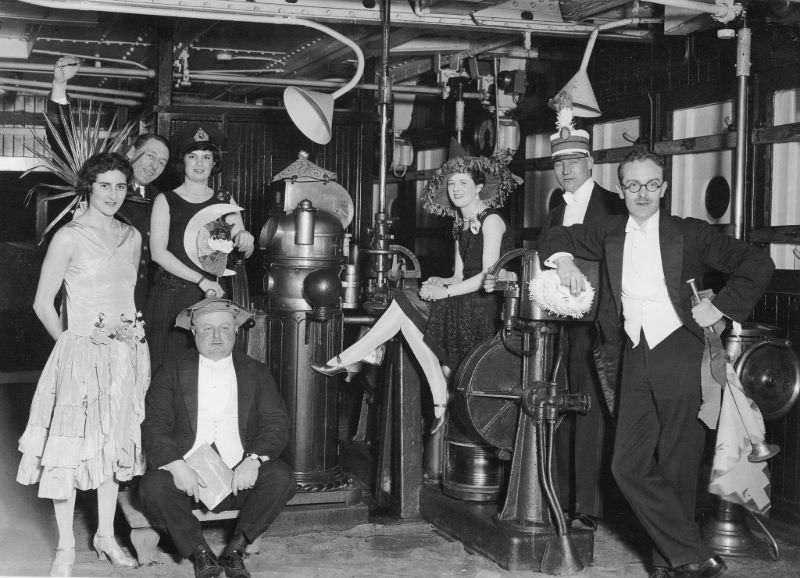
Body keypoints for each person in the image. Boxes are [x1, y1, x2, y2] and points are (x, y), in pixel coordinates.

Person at [538, 150, 774, 578]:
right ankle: (691, 554)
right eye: (632, 185)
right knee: (625, 465)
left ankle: (671, 564)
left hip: (681, 352)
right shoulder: (609, 231)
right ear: (621, 189)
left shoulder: (689, 233)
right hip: (631, 353)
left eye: (651, 184)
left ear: (664, 189)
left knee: (677, 463)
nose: (642, 193)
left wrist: (722, 308)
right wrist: (566, 260)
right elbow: (554, 238)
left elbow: (756, 263)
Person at [312, 140, 518, 429]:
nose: (455, 189)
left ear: (479, 186)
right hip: (465, 295)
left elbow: (487, 276)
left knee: (404, 304)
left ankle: (349, 358)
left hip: (485, 306)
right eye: (451, 184)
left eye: (462, 182)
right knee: (406, 317)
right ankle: (438, 401)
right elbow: (459, 275)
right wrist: (440, 280)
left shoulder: (491, 221)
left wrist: (443, 291)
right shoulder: (460, 223)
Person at [17, 152, 148, 577]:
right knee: (70, 452)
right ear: (88, 186)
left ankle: (106, 535)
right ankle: (66, 548)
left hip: (124, 356)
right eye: (105, 185)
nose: (113, 194)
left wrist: (128, 341)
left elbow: (127, 299)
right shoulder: (69, 236)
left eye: (121, 186)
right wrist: (73, 345)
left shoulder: (132, 237)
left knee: (112, 446)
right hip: (79, 355)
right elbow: (42, 303)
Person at [140, 297, 295, 578]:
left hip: (239, 478)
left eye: (224, 328)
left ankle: (236, 550)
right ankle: (200, 553)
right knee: (153, 486)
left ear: (236, 331)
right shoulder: (171, 372)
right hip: (187, 483)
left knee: (281, 475)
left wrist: (254, 459)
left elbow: (276, 421)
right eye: (207, 329)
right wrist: (176, 466)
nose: (216, 336)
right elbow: (154, 425)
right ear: (193, 331)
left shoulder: (256, 372)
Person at [543, 120, 626, 525]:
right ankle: (558, 496)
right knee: (560, 408)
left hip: (599, 325)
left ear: (591, 162)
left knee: (591, 413)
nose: (566, 169)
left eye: (575, 160)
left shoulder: (615, 204)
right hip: (562, 325)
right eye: (559, 163)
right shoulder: (555, 208)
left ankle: (587, 508)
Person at [47, 56, 171, 310]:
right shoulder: (98, 182)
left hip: (139, 304)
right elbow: (63, 142)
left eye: (162, 162)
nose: (154, 165)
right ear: (130, 152)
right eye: (150, 155)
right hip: (90, 299)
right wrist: (59, 86)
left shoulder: (161, 200)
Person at [144, 124, 255, 374]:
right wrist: (201, 280)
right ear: (182, 161)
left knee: (207, 374)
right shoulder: (166, 200)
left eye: (207, 157)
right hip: (171, 300)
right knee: (166, 374)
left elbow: (242, 243)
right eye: (192, 156)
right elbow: (158, 253)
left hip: (211, 299)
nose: (199, 163)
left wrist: (245, 237)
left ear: (214, 162)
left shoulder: (225, 199)